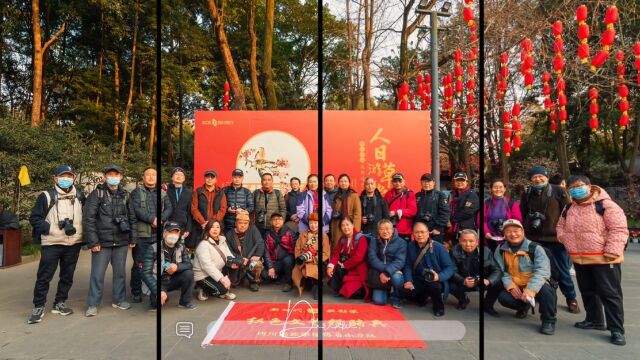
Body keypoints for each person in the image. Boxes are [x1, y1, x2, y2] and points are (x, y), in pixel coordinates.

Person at [557, 175, 628, 346]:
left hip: (604, 257)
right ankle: (594, 319)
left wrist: (612, 250)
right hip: (580, 257)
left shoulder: (605, 204)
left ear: (589, 186)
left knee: (610, 294)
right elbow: (560, 225)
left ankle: (616, 329)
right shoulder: (569, 208)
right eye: (572, 187)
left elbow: (618, 228)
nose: (576, 189)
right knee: (588, 290)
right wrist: (564, 238)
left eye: (579, 185)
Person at [28, 165, 86, 324]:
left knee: (67, 276)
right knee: (44, 276)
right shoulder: (46, 196)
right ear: (55, 178)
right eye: (63, 176)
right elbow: (34, 218)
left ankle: (59, 303)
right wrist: (51, 228)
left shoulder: (80, 195)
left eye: (69, 176)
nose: (66, 179)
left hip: (73, 243)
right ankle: (38, 306)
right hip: (52, 242)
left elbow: (87, 217)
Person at [520, 166, 580, 314]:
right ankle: (535, 297)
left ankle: (571, 298)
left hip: (555, 238)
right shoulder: (527, 193)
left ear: (546, 177)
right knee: (533, 269)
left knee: (562, 271)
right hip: (533, 238)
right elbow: (522, 213)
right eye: (534, 177)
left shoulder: (559, 191)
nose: (537, 179)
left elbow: (569, 213)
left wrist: (565, 234)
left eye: (540, 176)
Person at [83, 164, 137, 317]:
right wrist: (93, 242)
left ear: (121, 177)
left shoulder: (126, 195)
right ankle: (93, 304)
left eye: (116, 174)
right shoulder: (97, 194)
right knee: (97, 274)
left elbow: (132, 218)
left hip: (121, 241)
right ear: (105, 177)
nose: (113, 177)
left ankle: (119, 300)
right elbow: (89, 219)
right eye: (110, 175)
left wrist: (133, 237)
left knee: (120, 273)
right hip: (102, 242)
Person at [494, 219, 557, 335]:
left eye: (516, 230)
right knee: (503, 297)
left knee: (547, 291)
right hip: (517, 285)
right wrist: (511, 286)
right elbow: (501, 271)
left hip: (536, 285)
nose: (513, 234)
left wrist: (530, 290)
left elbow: (542, 271)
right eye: (508, 231)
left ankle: (548, 320)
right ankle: (523, 306)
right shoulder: (501, 249)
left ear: (523, 232)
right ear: (504, 234)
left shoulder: (535, 248)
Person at [130, 167, 172, 303]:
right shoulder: (136, 192)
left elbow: (169, 208)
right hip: (142, 235)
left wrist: (160, 219)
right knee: (139, 264)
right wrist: (151, 219)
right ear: (143, 178)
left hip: (159, 235)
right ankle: (136, 292)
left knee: (158, 263)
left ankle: (157, 290)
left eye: (154, 175)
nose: (151, 177)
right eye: (148, 175)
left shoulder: (163, 193)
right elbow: (136, 209)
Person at [402, 222, 455, 316]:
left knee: (434, 286)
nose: (420, 235)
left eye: (422, 232)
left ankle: (438, 307)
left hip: (434, 280)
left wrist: (438, 276)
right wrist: (408, 280)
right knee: (405, 291)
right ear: (413, 234)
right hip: (418, 278)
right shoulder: (410, 246)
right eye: (417, 232)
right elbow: (408, 265)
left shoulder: (439, 247)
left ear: (428, 233)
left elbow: (449, 268)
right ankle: (422, 297)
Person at [142, 221, 196, 310]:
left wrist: (177, 267)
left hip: (173, 280)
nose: (173, 235)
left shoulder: (181, 247)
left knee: (189, 274)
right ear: (164, 233)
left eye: (176, 232)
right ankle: (160, 296)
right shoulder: (153, 248)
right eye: (171, 232)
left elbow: (189, 265)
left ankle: (185, 302)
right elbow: (146, 273)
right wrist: (158, 290)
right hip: (158, 281)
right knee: (155, 304)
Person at [449, 230, 501, 313]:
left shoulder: (486, 251)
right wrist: (463, 280)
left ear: (477, 242)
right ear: (459, 241)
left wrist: (488, 281)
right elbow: (451, 270)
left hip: (482, 281)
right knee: (450, 284)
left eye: (471, 241)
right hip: (464, 280)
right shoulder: (454, 251)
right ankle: (463, 299)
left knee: (498, 283)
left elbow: (496, 270)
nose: (468, 244)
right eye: (464, 241)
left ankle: (488, 305)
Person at [193, 220, 237, 302]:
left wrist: (234, 262)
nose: (215, 229)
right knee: (223, 290)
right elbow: (207, 266)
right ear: (207, 229)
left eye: (217, 227)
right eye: (212, 227)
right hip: (203, 275)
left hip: (216, 272)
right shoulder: (203, 244)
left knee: (229, 284)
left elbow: (228, 255)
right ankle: (201, 288)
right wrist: (222, 279)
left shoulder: (222, 240)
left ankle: (211, 287)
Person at [327, 217, 369, 300]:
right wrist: (330, 266)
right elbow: (336, 253)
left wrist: (344, 265)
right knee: (336, 266)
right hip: (347, 267)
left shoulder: (361, 238)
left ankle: (344, 288)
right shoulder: (342, 239)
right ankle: (339, 288)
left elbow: (358, 258)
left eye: (347, 225)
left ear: (353, 225)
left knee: (356, 292)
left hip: (358, 269)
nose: (346, 227)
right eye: (343, 225)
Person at [367, 219, 406, 308]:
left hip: (393, 272)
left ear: (392, 230)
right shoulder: (374, 241)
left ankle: (397, 296)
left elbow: (399, 261)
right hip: (379, 273)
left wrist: (387, 272)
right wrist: (385, 271)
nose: (385, 231)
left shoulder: (401, 242)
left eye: (388, 228)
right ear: (378, 231)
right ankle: (387, 290)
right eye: (382, 229)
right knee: (379, 301)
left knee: (397, 277)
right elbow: (372, 259)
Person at [226, 210, 265, 292]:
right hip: (237, 261)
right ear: (236, 223)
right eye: (240, 223)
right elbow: (228, 251)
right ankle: (240, 276)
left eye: (245, 223)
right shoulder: (229, 234)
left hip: (250, 260)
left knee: (256, 264)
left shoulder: (253, 230)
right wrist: (239, 259)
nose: (243, 225)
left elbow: (260, 243)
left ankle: (253, 282)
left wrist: (257, 255)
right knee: (234, 282)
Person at [292, 213, 330, 300]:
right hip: (304, 261)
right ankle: (306, 282)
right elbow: (297, 249)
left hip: (316, 262)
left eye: (316, 223)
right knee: (296, 273)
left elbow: (326, 253)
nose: (313, 225)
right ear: (308, 223)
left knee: (316, 272)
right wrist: (300, 259)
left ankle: (317, 287)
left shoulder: (324, 236)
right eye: (311, 223)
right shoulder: (303, 235)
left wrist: (313, 259)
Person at [190, 170, 227, 250]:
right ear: (204, 178)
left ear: (216, 179)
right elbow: (194, 209)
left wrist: (212, 223)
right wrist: (203, 222)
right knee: (199, 248)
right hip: (200, 226)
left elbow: (223, 209)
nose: (209, 179)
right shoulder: (198, 191)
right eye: (207, 177)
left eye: (212, 177)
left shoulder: (221, 192)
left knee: (216, 249)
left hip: (215, 227)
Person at [483, 179, 521, 252]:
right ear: (491, 189)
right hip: (490, 237)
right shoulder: (486, 203)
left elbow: (517, 221)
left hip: (508, 237)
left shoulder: (511, 203)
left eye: (500, 187)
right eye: (495, 187)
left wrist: (510, 233)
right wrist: (486, 232)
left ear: (505, 189)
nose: (498, 189)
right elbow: (482, 220)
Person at [261, 212, 296, 292]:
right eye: (274, 219)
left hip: (288, 260)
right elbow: (265, 252)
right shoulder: (267, 234)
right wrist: (270, 267)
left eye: (279, 219)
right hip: (275, 261)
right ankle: (278, 276)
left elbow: (296, 249)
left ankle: (289, 282)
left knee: (288, 260)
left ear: (283, 220)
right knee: (264, 275)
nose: (277, 221)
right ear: (271, 222)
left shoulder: (290, 232)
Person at [329, 174, 362, 252]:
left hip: (350, 225)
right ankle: (335, 263)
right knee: (336, 246)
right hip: (337, 224)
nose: (343, 183)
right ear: (338, 183)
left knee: (350, 245)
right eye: (341, 181)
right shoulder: (336, 195)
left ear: (349, 183)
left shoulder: (354, 195)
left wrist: (355, 229)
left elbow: (357, 214)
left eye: (345, 181)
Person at [415, 173, 450, 243]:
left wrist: (438, 228)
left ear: (433, 183)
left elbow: (445, 213)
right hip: (420, 231)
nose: (426, 183)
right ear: (421, 183)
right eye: (424, 181)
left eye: (429, 181)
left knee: (434, 251)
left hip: (434, 231)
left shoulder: (440, 195)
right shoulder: (417, 196)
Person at [448, 172, 479, 246]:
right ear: (454, 182)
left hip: (467, 229)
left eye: (462, 180)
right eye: (457, 180)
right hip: (453, 229)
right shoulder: (452, 194)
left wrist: (451, 219)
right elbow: (447, 209)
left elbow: (467, 212)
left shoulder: (471, 194)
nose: (460, 182)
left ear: (467, 182)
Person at [384, 173, 417, 242]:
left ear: (404, 181)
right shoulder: (388, 194)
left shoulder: (409, 194)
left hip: (404, 230)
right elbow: (384, 209)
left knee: (404, 251)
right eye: (395, 181)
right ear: (392, 182)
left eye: (400, 181)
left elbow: (413, 211)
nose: (397, 183)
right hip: (390, 229)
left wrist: (396, 212)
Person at [253, 173, 286, 238]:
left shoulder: (277, 193)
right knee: (260, 246)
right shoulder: (256, 193)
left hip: (273, 227)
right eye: (264, 180)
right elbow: (252, 209)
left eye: (269, 180)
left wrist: (279, 223)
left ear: (272, 181)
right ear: (261, 182)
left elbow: (283, 209)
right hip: (259, 227)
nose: (266, 182)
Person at [222, 169, 254, 234]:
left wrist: (243, 211)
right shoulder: (225, 190)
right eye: (235, 177)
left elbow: (251, 206)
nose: (237, 179)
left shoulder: (247, 191)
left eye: (239, 177)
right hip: (227, 224)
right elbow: (220, 205)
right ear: (232, 178)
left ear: (242, 178)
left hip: (242, 224)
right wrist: (228, 209)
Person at [166, 167, 193, 245]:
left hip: (182, 227)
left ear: (184, 178)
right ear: (172, 177)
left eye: (181, 175)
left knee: (180, 250)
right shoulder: (165, 190)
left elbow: (189, 212)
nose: (179, 176)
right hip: (168, 225)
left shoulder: (189, 193)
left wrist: (188, 228)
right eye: (176, 174)